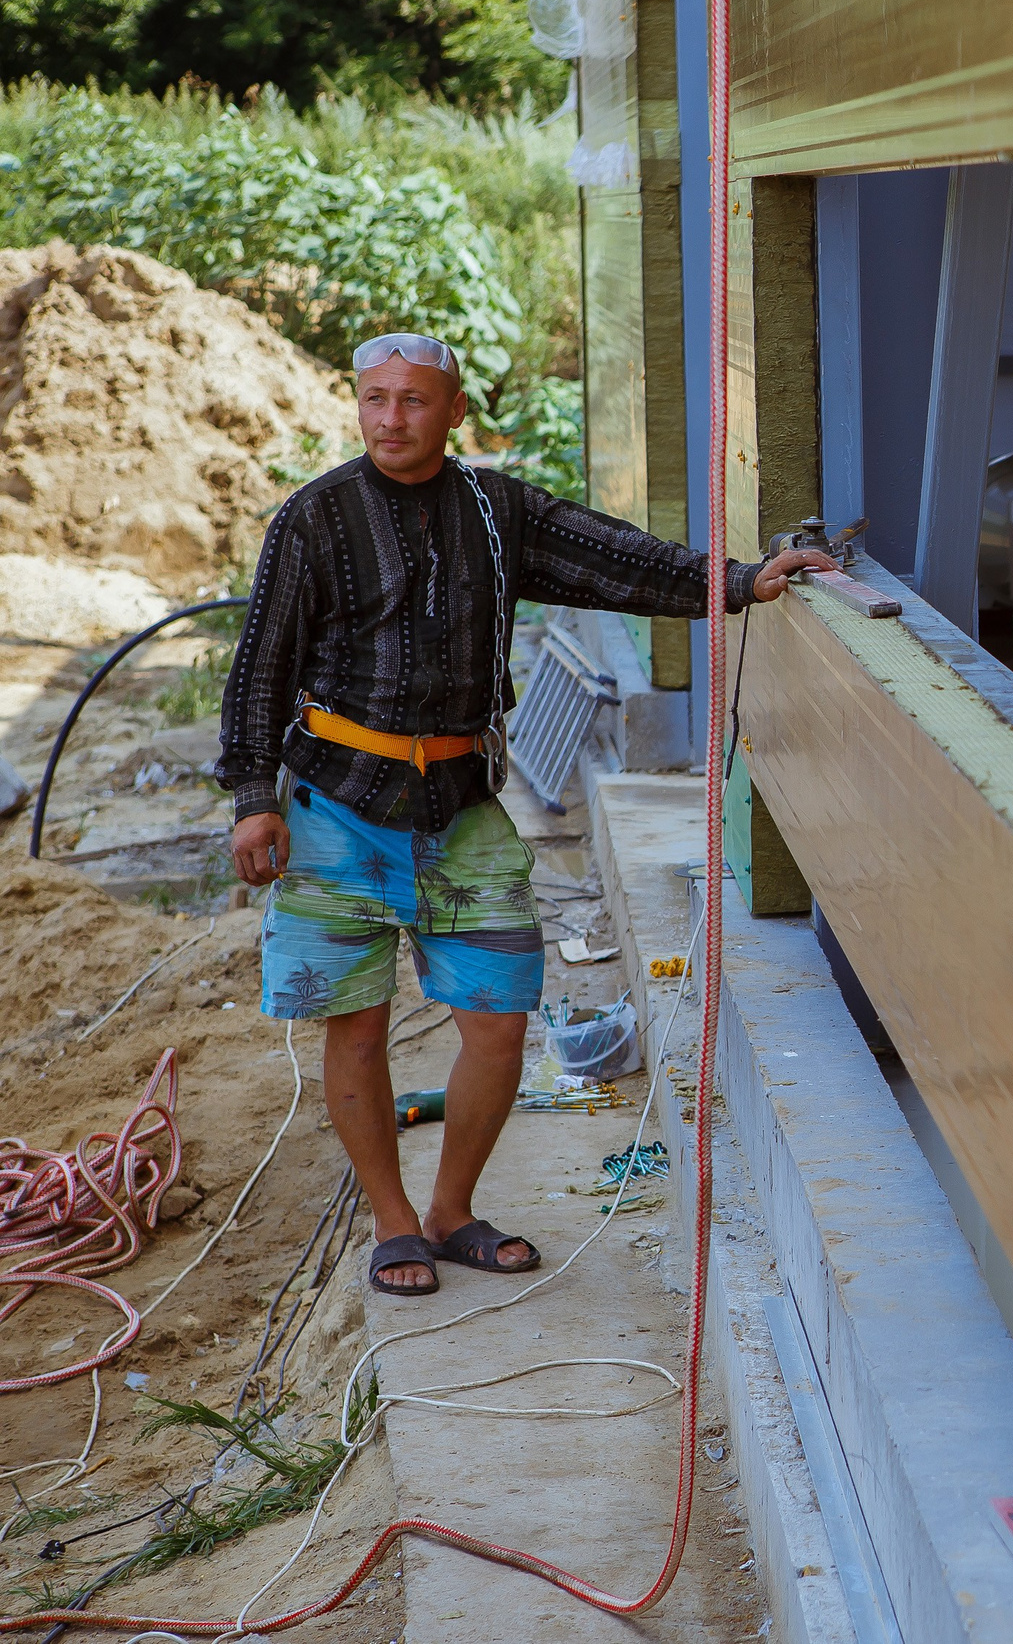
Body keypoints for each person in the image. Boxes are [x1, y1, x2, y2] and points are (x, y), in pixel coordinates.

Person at [217, 333, 836, 1295]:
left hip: (463, 805)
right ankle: (392, 1222)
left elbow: (611, 559)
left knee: (500, 1021)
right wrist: (255, 799)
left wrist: (735, 581)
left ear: (454, 410)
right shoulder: (315, 518)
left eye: (414, 400)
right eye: (375, 399)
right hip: (335, 808)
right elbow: (260, 664)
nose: (392, 419)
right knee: (356, 1024)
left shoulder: (495, 512)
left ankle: (451, 1208)